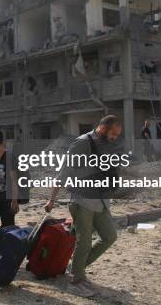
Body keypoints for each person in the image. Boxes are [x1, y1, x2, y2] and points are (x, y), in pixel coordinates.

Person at [44, 115, 123, 297]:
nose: (115, 138)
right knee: (84, 241)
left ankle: (76, 269)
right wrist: (52, 200)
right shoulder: (81, 143)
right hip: (82, 201)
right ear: (103, 128)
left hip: (101, 201)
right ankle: (75, 281)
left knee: (110, 236)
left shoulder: (107, 145)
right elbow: (64, 172)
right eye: (113, 134)